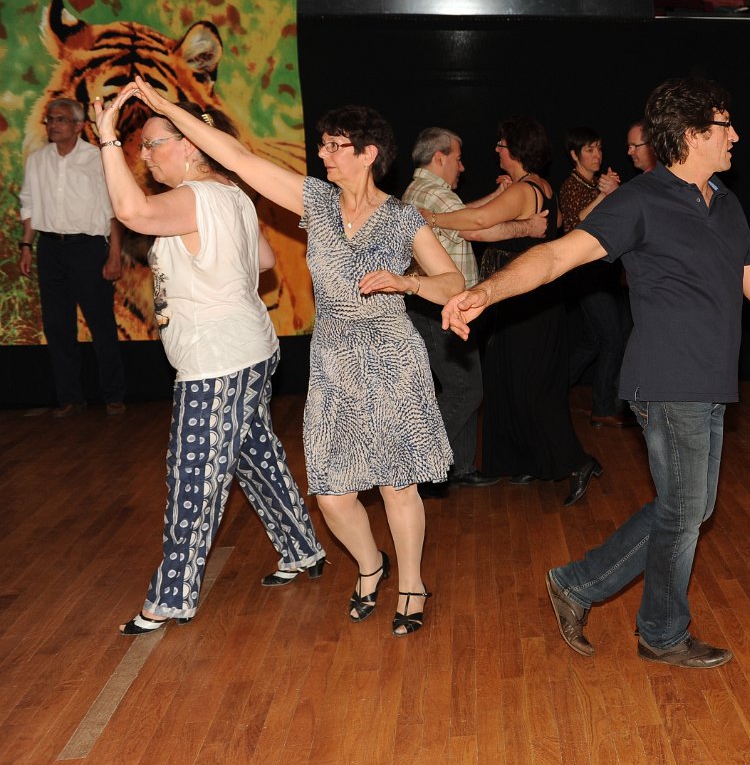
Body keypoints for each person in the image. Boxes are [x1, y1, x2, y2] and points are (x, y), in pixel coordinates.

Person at [441, 78, 750, 668]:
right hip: (667, 379)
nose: (736, 136)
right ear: (693, 134)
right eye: (725, 126)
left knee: (689, 510)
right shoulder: (641, 200)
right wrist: (485, 292)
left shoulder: (725, 203)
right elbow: (556, 256)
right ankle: (661, 631)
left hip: (710, 380)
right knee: (683, 511)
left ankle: (578, 584)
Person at [128, 77, 464, 638]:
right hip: (332, 360)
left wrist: (407, 282)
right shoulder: (317, 202)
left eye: (335, 145)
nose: (323, 154)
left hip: (391, 359)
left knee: (397, 485)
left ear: (368, 154)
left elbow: (451, 282)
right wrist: (166, 108)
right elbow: (237, 157)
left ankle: (411, 583)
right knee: (331, 495)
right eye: (323, 144)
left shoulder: (404, 219)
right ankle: (370, 565)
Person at [93, 88, 327, 634]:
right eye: (139, 146)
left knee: (193, 474)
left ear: (192, 145)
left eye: (153, 144)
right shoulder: (232, 193)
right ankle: (301, 548)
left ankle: (172, 596)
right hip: (250, 349)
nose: (144, 155)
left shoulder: (195, 196)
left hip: (217, 361)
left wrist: (106, 137)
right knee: (253, 453)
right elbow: (264, 260)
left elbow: (131, 211)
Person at [420, 117, 601, 507]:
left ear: (516, 149)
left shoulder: (524, 189)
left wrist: (430, 218)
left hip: (528, 302)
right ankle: (529, 461)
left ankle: (577, 462)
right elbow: (496, 226)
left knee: (531, 387)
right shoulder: (533, 186)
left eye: (501, 144)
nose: (496, 149)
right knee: (511, 382)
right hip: (524, 301)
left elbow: (479, 221)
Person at [402, 127, 549, 495]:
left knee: (465, 385)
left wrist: (496, 196)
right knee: (466, 391)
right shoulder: (433, 193)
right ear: (439, 157)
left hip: (443, 306)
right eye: (458, 158)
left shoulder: (424, 190)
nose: (462, 166)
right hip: (438, 308)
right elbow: (477, 229)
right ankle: (420, 465)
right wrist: (528, 226)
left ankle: (460, 468)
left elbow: (465, 216)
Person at [18, 98, 126, 417]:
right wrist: (26, 245)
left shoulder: (97, 158)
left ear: (79, 125)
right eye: (50, 119)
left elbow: (113, 209)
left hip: (88, 248)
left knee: (101, 324)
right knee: (57, 326)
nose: (53, 125)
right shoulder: (37, 160)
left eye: (60, 119)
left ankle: (114, 395)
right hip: (50, 249)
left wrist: (115, 254)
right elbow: (28, 204)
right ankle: (70, 398)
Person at [558, 126, 630, 428]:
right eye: (589, 149)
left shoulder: (595, 183)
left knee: (593, 340)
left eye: (599, 148)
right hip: (585, 276)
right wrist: (604, 194)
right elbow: (575, 225)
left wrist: (612, 191)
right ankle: (602, 407)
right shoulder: (571, 186)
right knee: (612, 338)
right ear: (575, 156)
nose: (597, 155)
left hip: (604, 274)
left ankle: (552, 387)